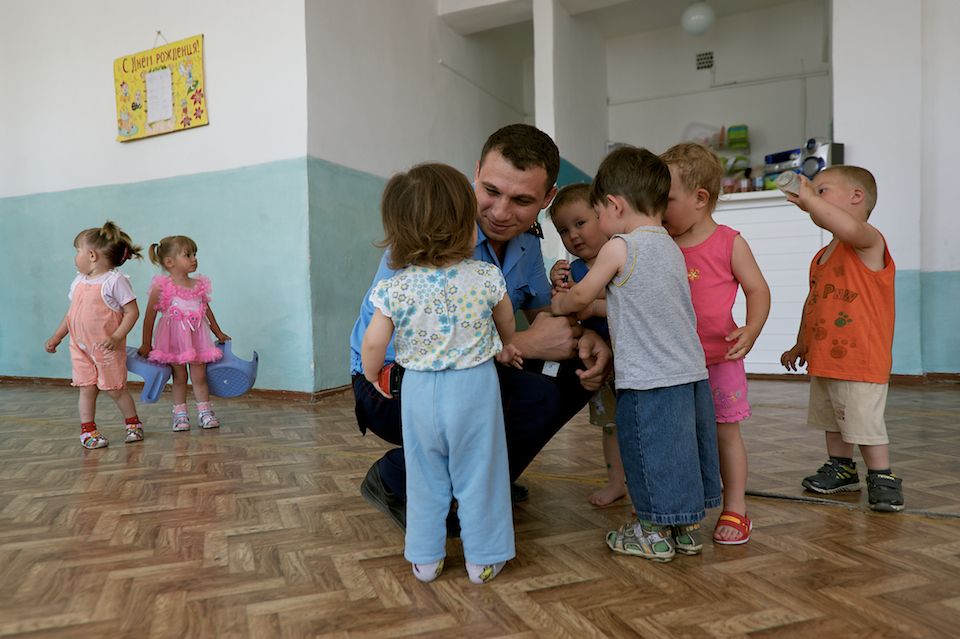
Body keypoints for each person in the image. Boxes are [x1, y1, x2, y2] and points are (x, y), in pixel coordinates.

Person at [349, 123, 612, 532]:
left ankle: (485, 483)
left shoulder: (527, 245)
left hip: (468, 373)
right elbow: (412, 345)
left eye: (523, 200)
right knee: (535, 395)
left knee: (576, 371)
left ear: (548, 198)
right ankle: (396, 478)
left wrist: (584, 336)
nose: (502, 212)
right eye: (491, 191)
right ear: (475, 173)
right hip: (394, 383)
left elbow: (547, 317)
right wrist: (524, 342)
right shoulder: (431, 234)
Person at [551, 146, 721, 563]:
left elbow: (581, 297)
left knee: (644, 450)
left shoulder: (619, 246)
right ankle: (685, 530)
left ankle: (651, 533)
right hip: (689, 373)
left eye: (598, 214)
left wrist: (560, 304)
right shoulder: (669, 246)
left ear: (613, 205)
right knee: (680, 450)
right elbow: (639, 305)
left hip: (648, 377)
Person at [361, 163, 523, 584]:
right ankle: (482, 558)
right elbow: (506, 322)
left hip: (418, 390)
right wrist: (506, 347)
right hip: (474, 386)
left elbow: (375, 343)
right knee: (480, 472)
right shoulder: (486, 276)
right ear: (463, 226)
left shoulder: (395, 287)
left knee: (425, 472)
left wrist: (373, 373)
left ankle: (426, 557)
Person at [661, 143, 771, 545]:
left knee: (726, 433)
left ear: (700, 198)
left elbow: (758, 289)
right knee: (678, 434)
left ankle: (736, 506)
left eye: (666, 200)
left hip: (719, 360)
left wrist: (753, 328)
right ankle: (682, 505)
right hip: (673, 362)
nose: (658, 209)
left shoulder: (729, 242)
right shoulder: (661, 244)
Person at [780, 165, 904, 512]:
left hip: (861, 358)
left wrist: (808, 200)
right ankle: (841, 468)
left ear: (856, 197)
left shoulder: (868, 240)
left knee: (864, 421)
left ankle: (882, 475)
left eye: (822, 191)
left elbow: (847, 226)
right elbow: (813, 303)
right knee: (833, 418)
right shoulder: (822, 256)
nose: (812, 200)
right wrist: (800, 343)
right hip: (826, 357)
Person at [547, 183, 626, 507]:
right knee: (610, 426)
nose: (573, 236)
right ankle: (617, 482)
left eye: (580, 223)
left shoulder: (622, 256)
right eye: (564, 230)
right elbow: (566, 311)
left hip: (633, 356)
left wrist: (589, 304)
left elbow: (630, 306)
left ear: (602, 214)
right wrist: (557, 286)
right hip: (600, 362)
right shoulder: (575, 271)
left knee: (641, 424)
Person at [45, 221, 146, 449]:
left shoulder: (114, 281)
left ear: (91, 255)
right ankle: (88, 431)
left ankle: (133, 424)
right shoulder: (79, 281)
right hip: (79, 347)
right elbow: (71, 314)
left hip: (106, 348)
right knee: (86, 388)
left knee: (114, 389)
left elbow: (132, 312)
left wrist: (117, 336)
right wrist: (57, 336)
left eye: (77, 251)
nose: (75, 257)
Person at [139, 235, 230, 431]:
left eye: (195, 254)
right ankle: (180, 415)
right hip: (173, 339)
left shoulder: (198, 286)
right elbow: (149, 318)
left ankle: (205, 412)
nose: (194, 259)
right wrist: (146, 344)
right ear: (169, 262)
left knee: (200, 377)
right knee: (179, 378)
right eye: (187, 255)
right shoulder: (161, 287)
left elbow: (206, 311)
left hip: (197, 338)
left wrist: (218, 332)